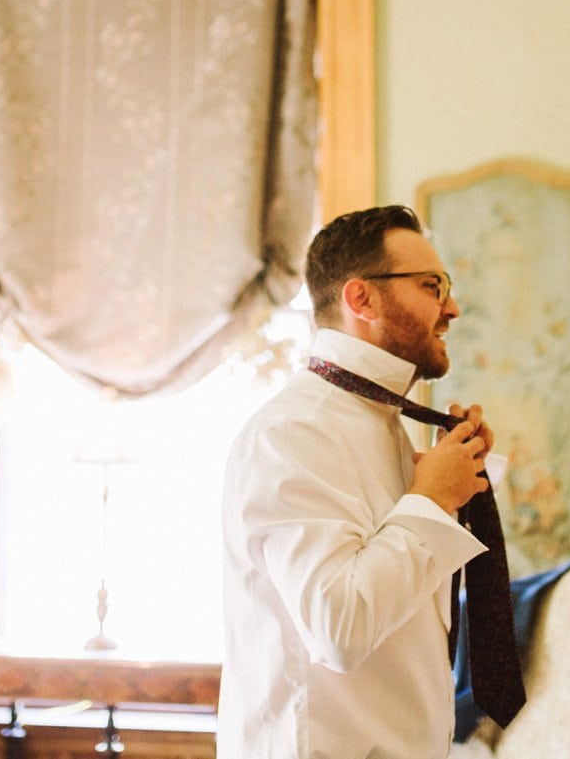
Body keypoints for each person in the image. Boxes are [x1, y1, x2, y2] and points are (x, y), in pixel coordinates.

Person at [220, 204, 497, 758]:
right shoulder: (292, 433)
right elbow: (337, 628)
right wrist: (433, 500)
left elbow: (404, 625)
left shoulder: (385, 426)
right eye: (432, 286)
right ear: (361, 299)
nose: (453, 308)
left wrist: (454, 482)